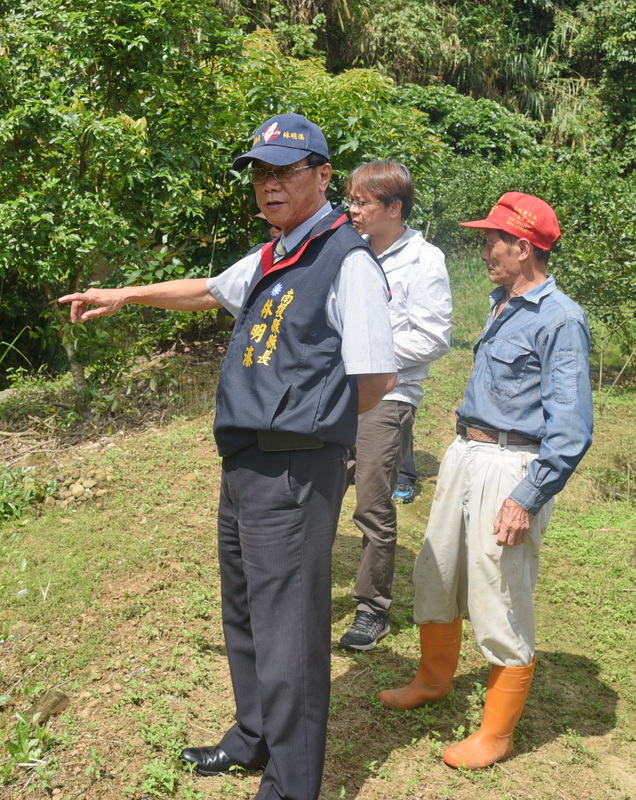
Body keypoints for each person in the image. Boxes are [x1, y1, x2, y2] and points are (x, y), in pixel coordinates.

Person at [59, 113, 397, 800]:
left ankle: (291, 784)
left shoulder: (347, 259)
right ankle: (253, 735)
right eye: (261, 173)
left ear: (323, 176)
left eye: (286, 171)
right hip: (245, 460)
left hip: (295, 465)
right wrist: (125, 295)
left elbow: (376, 378)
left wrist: (312, 429)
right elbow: (208, 290)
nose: (269, 185)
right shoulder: (276, 252)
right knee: (244, 607)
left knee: (292, 627)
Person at [379, 192, 593, 769]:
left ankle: (496, 734)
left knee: (499, 591)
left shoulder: (561, 319)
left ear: (523, 247)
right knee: (437, 570)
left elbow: (571, 430)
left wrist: (526, 498)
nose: (483, 251)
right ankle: (432, 679)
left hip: (512, 467)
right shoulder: (503, 302)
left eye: (491, 240)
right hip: (466, 454)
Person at [337, 160, 452, 651]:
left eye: (362, 202)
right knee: (315, 486)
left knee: (372, 502)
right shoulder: (349, 252)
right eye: (352, 200)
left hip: (387, 395)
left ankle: (372, 607)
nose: (353, 210)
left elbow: (432, 336)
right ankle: (307, 584)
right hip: (335, 390)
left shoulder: (424, 260)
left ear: (394, 208)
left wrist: (364, 353)